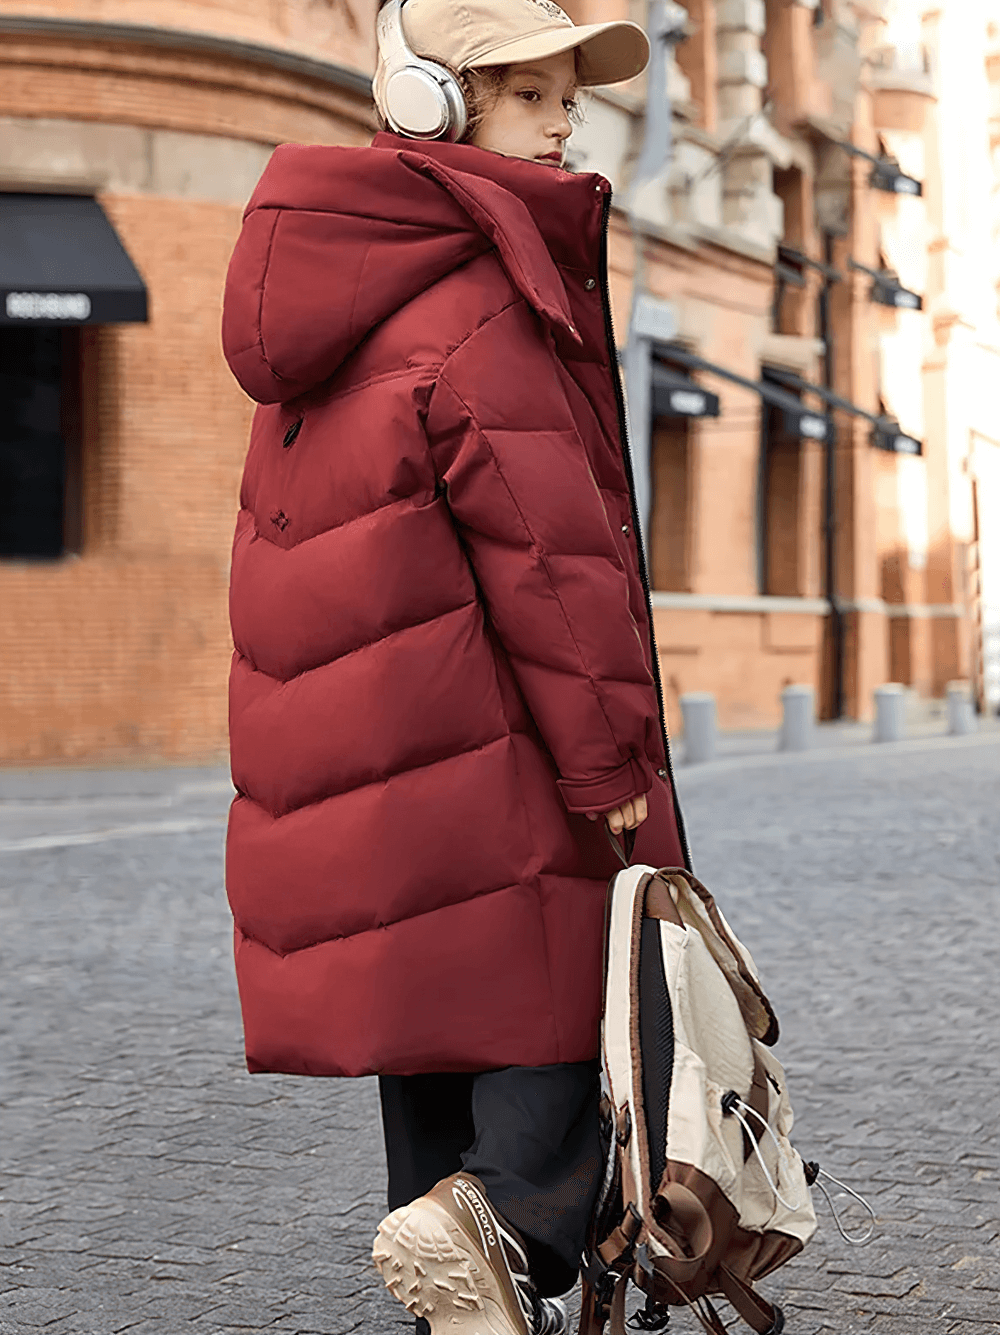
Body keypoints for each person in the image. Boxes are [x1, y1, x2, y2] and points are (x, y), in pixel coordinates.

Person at [221, 0, 689, 1331]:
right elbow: (550, 558)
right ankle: (491, 1227)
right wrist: (606, 754)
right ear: (436, 102)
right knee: (557, 1020)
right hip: (497, 739)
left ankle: (456, 1285)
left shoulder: (340, 288)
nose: (563, 123)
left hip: (377, 748)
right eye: (533, 96)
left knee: (433, 1020)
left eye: (565, 100)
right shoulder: (480, 295)